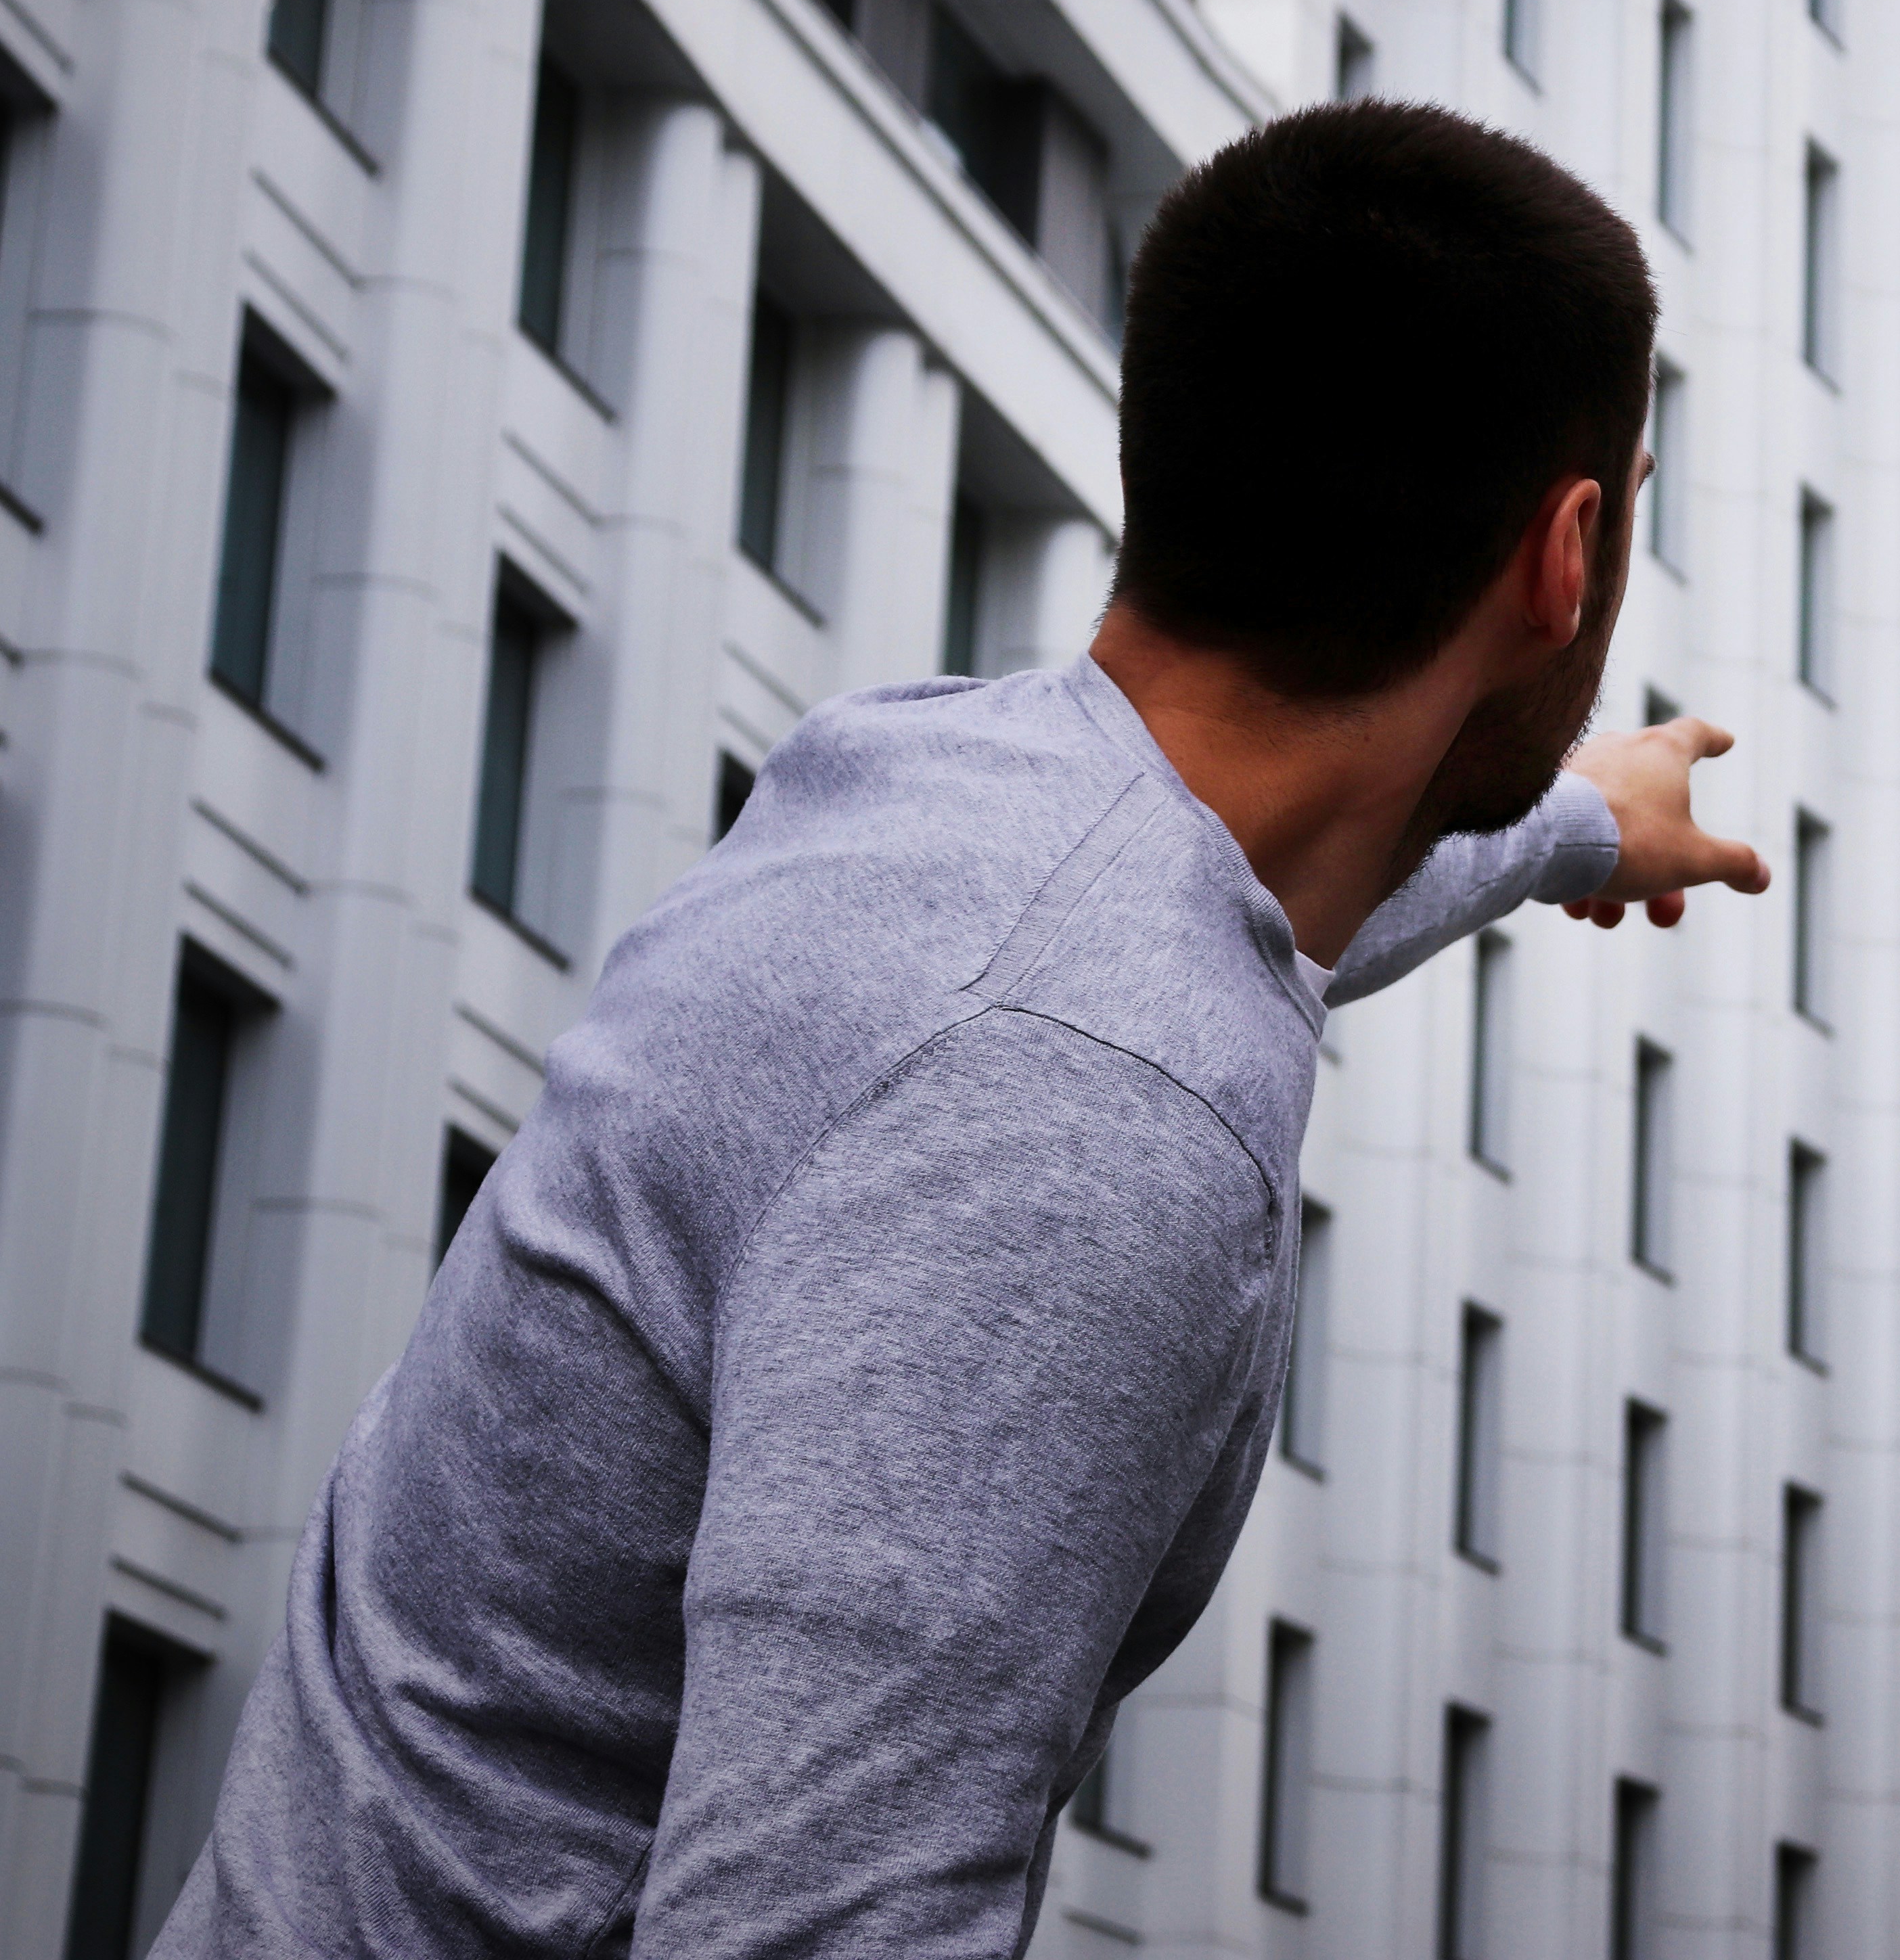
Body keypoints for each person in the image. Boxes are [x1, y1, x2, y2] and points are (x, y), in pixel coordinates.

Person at [156, 101, 1762, 1954]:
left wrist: (1571, 817)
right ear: (1570, 552)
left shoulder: (936, 774)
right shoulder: (1084, 1118)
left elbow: (1228, 912)